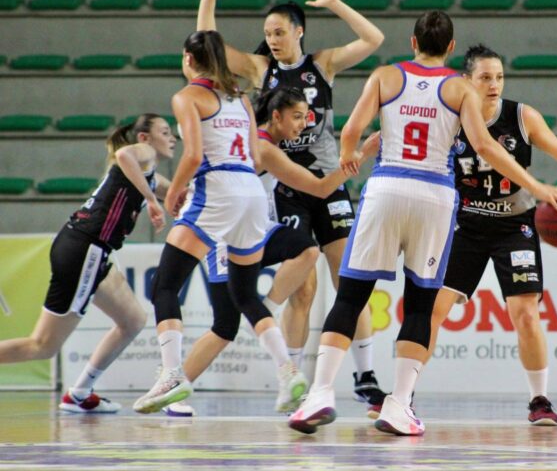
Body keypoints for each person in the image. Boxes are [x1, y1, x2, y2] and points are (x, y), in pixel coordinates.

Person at [288, 11, 557, 436]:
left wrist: (350, 154)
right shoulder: (460, 88)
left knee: (350, 296)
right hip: (435, 196)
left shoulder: (386, 76)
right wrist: (534, 183)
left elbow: (351, 130)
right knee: (421, 304)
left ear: (412, 42)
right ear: (452, 48)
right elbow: (485, 147)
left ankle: (320, 392)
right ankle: (399, 404)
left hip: (386, 188)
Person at [198, 0, 389, 415]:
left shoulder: (322, 64)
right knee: (303, 290)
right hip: (286, 188)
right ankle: (294, 379)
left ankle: (365, 377)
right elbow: (208, 45)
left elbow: (374, 40)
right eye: (268, 32)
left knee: (350, 282)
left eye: (280, 31)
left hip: (330, 185)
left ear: (299, 31)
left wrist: (337, 4)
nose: (274, 38)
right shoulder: (259, 68)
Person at [425, 44, 557, 426]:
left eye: (499, 77)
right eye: (485, 78)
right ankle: (404, 396)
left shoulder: (520, 116)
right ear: (465, 81)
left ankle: (539, 399)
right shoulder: (450, 119)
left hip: (515, 225)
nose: (494, 85)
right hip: (465, 225)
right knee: (432, 310)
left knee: (524, 314)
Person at [163, 86, 378, 416]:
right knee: (224, 325)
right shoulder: (263, 147)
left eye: (307, 116)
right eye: (296, 116)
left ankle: (263, 310)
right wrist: (361, 155)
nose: (303, 123)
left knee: (307, 251)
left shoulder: (264, 143)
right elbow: (320, 188)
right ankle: (177, 385)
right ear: (275, 116)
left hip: (251, 229)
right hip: (221, 232)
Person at [133, 30, 299, 414]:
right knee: (244, 294)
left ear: (188, 60)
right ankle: (288, 370)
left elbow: (191, 155)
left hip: (218, 188)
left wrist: (175, 191)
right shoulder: (240, 98)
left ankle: (173, 372)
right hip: (251, 193)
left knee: (165, 284)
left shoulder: (187, 96)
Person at [0, 114, 175, 413]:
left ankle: (79, 394)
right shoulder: (141, 154)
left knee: (133, 320)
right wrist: (151, 201)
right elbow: (123, 155)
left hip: (90, 250)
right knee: (42, 346)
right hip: (85, 249)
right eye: (165, 131)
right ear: (144, 138)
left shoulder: (148, 173)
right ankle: (78, 394)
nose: (172, 137)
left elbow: (177, 192)